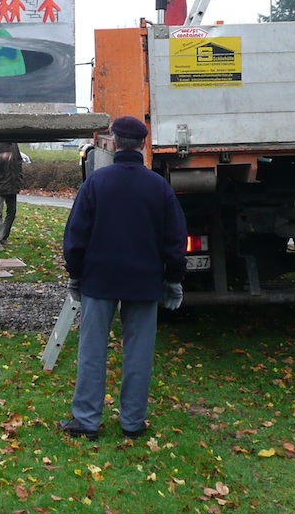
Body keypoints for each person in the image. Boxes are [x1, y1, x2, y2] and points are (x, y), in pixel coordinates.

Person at [58, 115, 187, 441]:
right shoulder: (158, 187)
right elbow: (174, 240)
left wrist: (76, 275)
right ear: (144, 145)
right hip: (143, 283)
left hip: (99, 281)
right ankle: (132, 422)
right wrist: (173, 279)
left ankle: (86, 421)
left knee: (91, 352)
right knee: (139, 354)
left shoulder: (97, 184)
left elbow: (75, 237)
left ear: (113, 143)